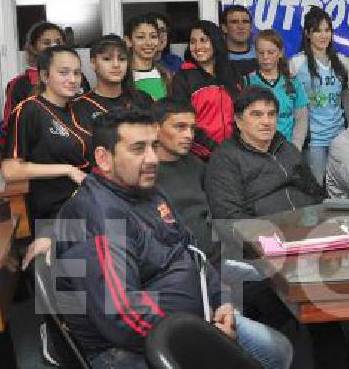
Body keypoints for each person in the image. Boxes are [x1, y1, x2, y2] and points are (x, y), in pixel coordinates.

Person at [50, 109, 292, 369]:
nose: (153, 158)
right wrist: (203, 338)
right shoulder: (99, 217)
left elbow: (192, 252)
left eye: (154, 146)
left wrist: (220, 301)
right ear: (104, 159)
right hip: (135, 348)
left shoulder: (150, 193)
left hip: (195, 318)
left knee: (278, 351)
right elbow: (123, 319)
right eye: (138, 149)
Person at [2, 45, 91, 233]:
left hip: (87, 204)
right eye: (63, 73)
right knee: (76, 261)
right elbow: (10, 170)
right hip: (54, 213)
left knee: (117, 255)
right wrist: (67, 170)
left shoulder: (79, 108)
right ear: (44, 76)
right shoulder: (29, 110)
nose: (73, 79)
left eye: (77, 73)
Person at [205, 87, 324, 219]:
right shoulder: (225, 159)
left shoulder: (288, 149)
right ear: (239, 121)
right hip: (264, 233)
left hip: (308, 227)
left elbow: (316, 193)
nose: (266, 122)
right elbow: (229, 216)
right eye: (257, 115)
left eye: (271, 114)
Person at [152, 98, 217, 264]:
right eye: (180, 127)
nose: (189, 135)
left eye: (192, 128)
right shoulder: (143, 172)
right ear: (155, 128)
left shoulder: (197, 165)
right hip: (177, 268)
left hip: (217, 259)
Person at [289, 6, 349, 183]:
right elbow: (293, 101)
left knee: (341, 184)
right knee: (316, 186)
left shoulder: (341, 61)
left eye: (327, 30)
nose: (323, 35)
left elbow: (344, 99)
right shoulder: (297, 62)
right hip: (313, 138)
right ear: (308, 34)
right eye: (317, 31)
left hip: (339, 134)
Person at [1, 22, 90, 142]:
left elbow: (87, 114)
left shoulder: (79, 78)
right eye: (46, 43)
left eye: (58, 42)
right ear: (33, 47)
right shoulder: (19, 84)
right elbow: (11, 127)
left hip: (77, 144)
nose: (53, 46)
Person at [168, 20, 242, 158]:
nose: (197, 47)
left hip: (234, 154)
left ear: (216, 41)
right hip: (200, 157)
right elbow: (183, 120)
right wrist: (215, 149)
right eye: (192, 42)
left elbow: (242, 111)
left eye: (203, 40)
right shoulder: (183, 77)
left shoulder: (231, 72)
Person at [71, 35, 154, 153]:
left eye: (122, 59)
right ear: (93, 63)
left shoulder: (143, 99)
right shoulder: (79, 106)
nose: (116, 65)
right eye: (107, 59)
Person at [241, 30, 309, 148]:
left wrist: (295, 147)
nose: (265, 57)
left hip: (287, 147)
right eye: (261, 53)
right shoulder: (247, 81)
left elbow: (301, 118)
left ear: (280, 53)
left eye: (271, 52)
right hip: (256, 148)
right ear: (255, 53)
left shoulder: (293, 81)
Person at [124, 14, 171, 100]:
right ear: (128, 41)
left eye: (153, 36)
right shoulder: (122, 76)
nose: (149, 43)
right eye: (141, 37)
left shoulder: (166, 75)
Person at [221, 5, 260, 77]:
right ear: (224, 28)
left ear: (251, 27)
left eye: (245, 22)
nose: (241, 27)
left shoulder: (262, 54)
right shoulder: (216, 57)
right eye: (234, 22)